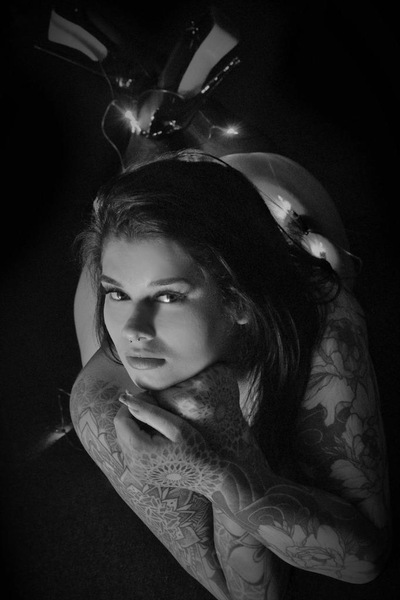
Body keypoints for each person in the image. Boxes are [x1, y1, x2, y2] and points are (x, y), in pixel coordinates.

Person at [70, 148, 391, 600]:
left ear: (239, 301)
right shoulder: (101, 397)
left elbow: (367, 560)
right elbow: (242, 595)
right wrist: (225, 440)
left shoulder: (324, 324)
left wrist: (217, 470)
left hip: (275, 198)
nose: (132, 331)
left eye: (167, 297)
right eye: (117, 295)